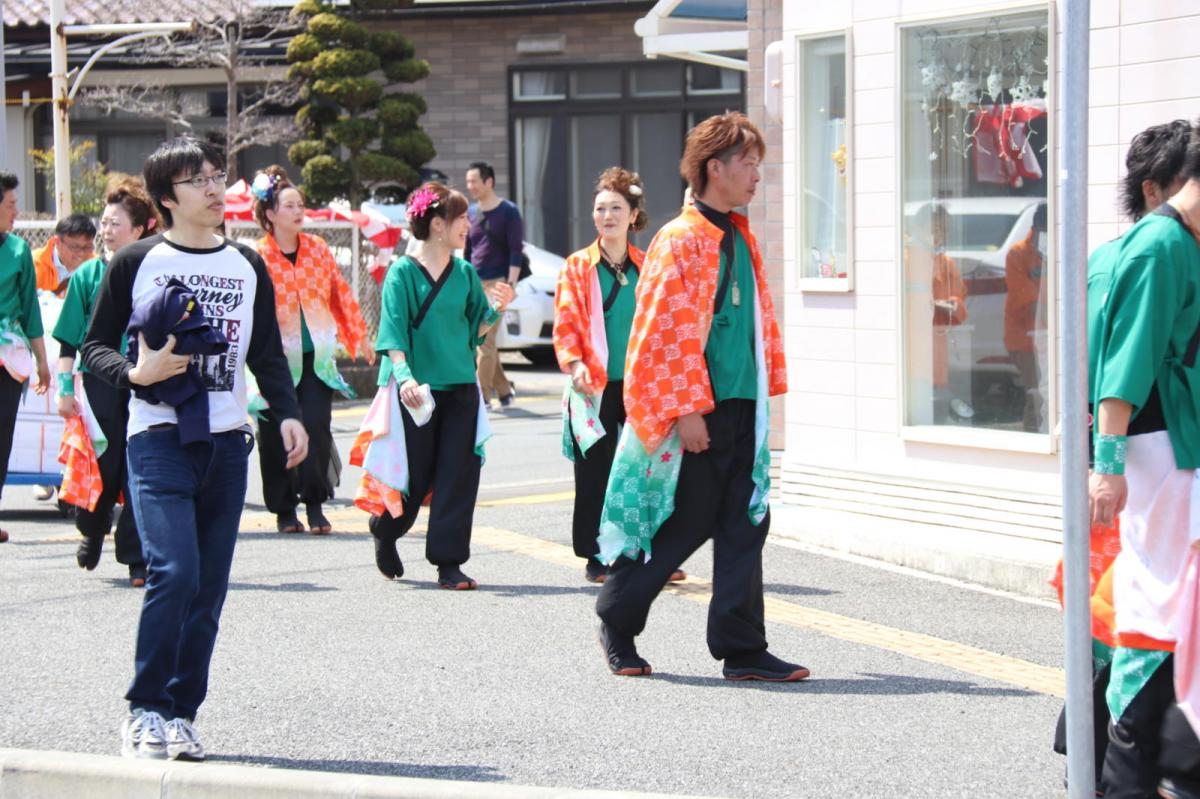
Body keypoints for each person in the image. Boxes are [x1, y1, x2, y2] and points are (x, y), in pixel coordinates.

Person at [81, 137, 306, 761]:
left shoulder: (247, 265)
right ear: (166, 199)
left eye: (216, 176)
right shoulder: (135, 262)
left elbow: (264, 353)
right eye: (198, 180)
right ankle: (145, 708)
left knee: (208, 587)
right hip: (156, 437)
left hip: (228, 443)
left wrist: (286, 414)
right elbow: (94, 348)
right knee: (175, 572)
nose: (214, 188)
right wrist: (136, 374)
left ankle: (182, 712)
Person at [592, 112, 804, 682]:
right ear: (716, 167)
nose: (758, 175)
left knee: (745, 522)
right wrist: (685, 408)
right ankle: (616, 614)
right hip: (698, 407)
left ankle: (742, 647)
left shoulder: (737, 233)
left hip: (740, 403)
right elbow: (659, 330)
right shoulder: (679, 239)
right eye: (750, 164)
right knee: (682, 521)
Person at [1052, 118, 1194, 794]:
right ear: (1158, 187)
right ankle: (1115, 763)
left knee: (1133, 611)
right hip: (1138, 455)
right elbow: (1114, 370)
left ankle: (1110, 753)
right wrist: (1101, 460)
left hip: (1137, 452)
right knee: (1137, 612)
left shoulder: (1138, 250)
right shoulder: (1149, 251)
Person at [368, 181, 513, 590]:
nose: (468, 224)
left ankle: (449, 563)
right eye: (461, 217)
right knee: (414, 475)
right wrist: (405, 377)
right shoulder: (401, 273)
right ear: (436, 224)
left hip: (462, 386)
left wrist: (499, 306)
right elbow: (392, 335)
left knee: (458, 474)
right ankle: (386, 528)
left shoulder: (465, 272)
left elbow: (478, 327)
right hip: (416, 391)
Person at [552, 167, 686, 586]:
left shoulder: (647, 266)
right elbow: (567, 322)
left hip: (638, 385)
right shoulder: (577, 266)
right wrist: (573, 364)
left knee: (646, 468)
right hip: (590, 385)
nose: (606, 215)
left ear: (633, 216)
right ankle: (596, 554)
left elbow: (663, 324)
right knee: (595, 472)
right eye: (599, 208)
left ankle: (650, 551)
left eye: (615, 208)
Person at [252, 165, 371, 534]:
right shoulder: (257, 257)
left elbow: (341, 295)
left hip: (316, 358)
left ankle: (316, 502)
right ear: (270, 214)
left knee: (317, 426)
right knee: (274, 433)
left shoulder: (318, 250)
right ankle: (284, 509)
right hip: (273, 362)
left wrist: (360, 337)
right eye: (289, 205)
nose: (298, 211)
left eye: (300, 204)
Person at [53, 177, 159, 587]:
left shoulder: (152, 273)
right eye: (105, 222)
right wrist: (65, 391)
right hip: (99, 381)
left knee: (140, 464)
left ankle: (135, 557)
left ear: (141, 229)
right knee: (104, 463)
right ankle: (93, 530)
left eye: (116, 223)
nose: (107, 230)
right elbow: (67, 340)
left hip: (144, 379)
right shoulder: (86, 277)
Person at [0, 172, 51, 543]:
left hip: (8, 354)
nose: (16, 212)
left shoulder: (18, 250)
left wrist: (42, 360)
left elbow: (30, 310)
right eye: (11, 205)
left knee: (2, 433)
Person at [464, 161, 521, 408]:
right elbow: (467, 251)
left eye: (475, 181)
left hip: (499, 282)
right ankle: (504, 390)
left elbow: (515, 251)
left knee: (485, 341)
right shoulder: (471, 213)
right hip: (475, 282)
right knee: (483, 340)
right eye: (468, 182)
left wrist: (510, 285)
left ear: (489, 182)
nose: (471, 186)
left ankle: (482, 397)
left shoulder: (508, 211)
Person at [1003, 203, 1048, 433]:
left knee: (1049, 393)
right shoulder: (1018, 253)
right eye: (1044, 230)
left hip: (1048, 336)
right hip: (1024, 340)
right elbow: (1029, 300)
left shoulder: (1056, 251)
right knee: (1035, 394)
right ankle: (1033, 437)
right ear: (1036, 227)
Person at [33, 212, 96, 296]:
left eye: (87, 247)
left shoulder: (96, 268)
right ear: (57, 242)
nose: (81, 253)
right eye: (75, 247)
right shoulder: (33, 264)